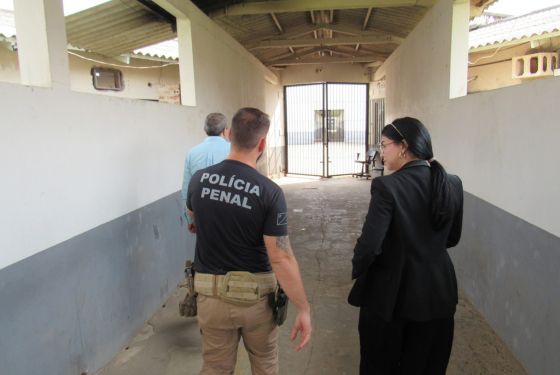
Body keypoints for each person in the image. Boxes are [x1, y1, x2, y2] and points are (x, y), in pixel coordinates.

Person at [187, 107, 312, 374]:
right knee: (265, 365)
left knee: (215, 368)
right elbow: (280, 256)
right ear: (263, 143)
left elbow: (193, 219)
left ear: (229, 134)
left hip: (211, 299)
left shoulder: (198, 180)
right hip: (256, 302)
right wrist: (303, 307)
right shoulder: (270, 192)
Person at [349, 117, 463, 374]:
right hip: (439, 293)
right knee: (427, 364)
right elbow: (452, 238)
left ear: (403, 146)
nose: (381, 152)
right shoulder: (452, 183)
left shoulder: (387, 186)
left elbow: (369, 246)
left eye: (384, 144)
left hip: (392, 296)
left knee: (380, 364)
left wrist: (358, 268)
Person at [181, 112, 230, 233]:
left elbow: (186, 190)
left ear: (205, 130)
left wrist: (190, 220)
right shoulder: (233, 150)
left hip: (202, 220)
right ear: (225, 131)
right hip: (230, 218)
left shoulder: (192, 153)